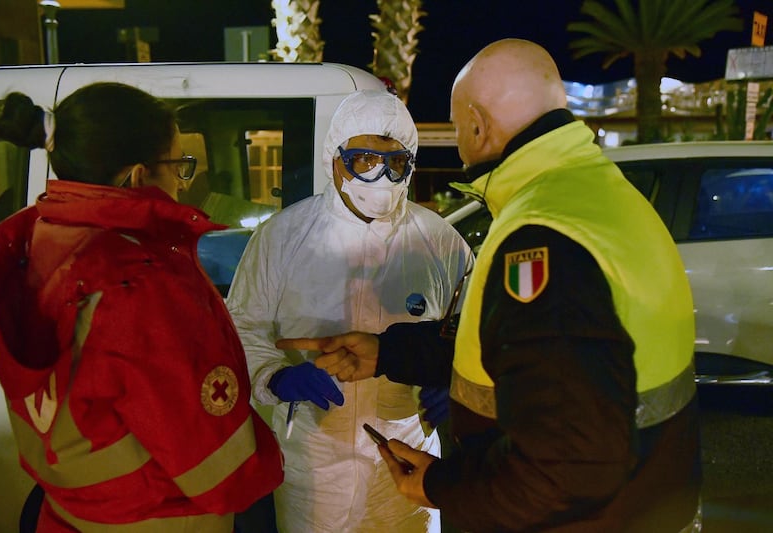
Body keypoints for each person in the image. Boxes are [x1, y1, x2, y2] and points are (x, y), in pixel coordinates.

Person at [277, 39, 702, 533]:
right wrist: (389, 352)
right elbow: (531, 352)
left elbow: (565, 467)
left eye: (458, 127)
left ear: (477, 124)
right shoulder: (602, 197)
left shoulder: (544, 240)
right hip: (648, 501)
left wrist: (441, 485)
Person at [0, 82, 283, 532]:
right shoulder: (142, 276)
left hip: (73, 509)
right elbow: (209, 454)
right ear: (138, 175)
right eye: (179, 164)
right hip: (155, 516)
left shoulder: (44, 236)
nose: (184, 181)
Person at [225, 89, 471, 532]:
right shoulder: (282, 238)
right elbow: (242, 327)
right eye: (365, 160)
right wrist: (275, 377)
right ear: (333, 159)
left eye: (396, 163)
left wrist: (453, 383)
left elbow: (475, 331)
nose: (382, 177)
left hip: (407, 453)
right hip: (313, 459)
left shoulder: (439, 242)